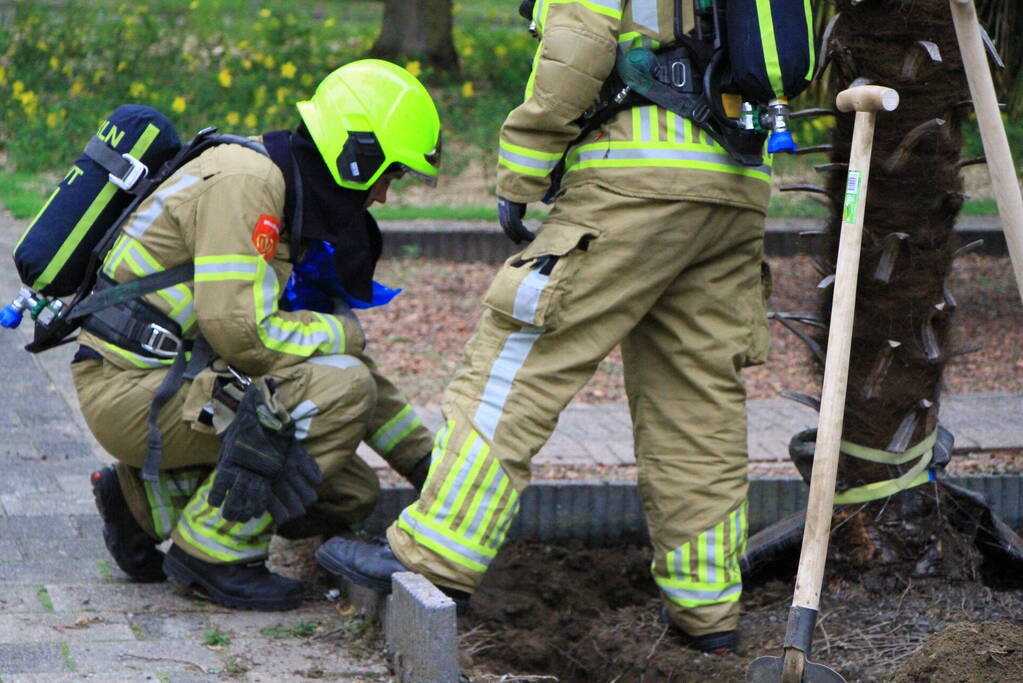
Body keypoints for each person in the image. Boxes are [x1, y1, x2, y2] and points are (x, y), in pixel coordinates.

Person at [316, 1, 774, 653]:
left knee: (514, 360)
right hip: (736, 184)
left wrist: (521, 172)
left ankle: (433, 556)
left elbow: (577, 44)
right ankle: (707, 610)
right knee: (696, 401)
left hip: (632, 181)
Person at [74, 59, 441, 611]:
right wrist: (344, 334)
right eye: (391, 174)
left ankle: (142, 503)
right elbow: (244, 336)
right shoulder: (249, 185)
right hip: (133, 389)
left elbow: (333, 362)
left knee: (350, 493)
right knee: (337, 389)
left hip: (178, 382)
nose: (386, 195)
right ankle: (213, 553)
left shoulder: (285, 190)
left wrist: (428, 468)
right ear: (357, 157)